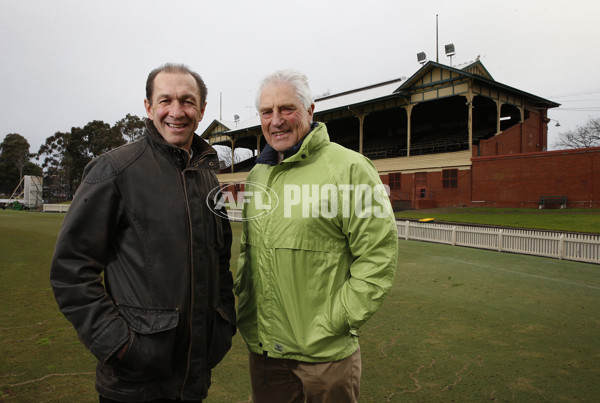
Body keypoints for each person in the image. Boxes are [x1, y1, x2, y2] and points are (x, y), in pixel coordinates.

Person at [50, 63, 236, 402]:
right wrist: (119, 344)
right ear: (149, 107)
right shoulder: (115, 169)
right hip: (134, 383)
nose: (176, 112)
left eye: (188, 101)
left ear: (202, 110)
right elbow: (70, 271)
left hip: (193, 378)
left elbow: (220, 262)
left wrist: (222, 325)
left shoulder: (208, 177)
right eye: (165, 100)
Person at [235, 69, 399, 402]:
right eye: (267, 112)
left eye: (287, 109)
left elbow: (378, 255)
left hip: (325, 356)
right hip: (266, 352)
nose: (276, 120)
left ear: (310, 111)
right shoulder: (258, 174)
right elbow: (247, 254)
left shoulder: (351, 169)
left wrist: (337, 320)